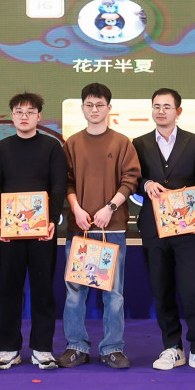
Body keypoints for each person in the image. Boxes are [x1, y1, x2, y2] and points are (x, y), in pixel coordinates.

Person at [135, 88, 195, 374]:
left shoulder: (193, 142)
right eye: (156, 106)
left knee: (192, 288)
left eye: (167, 107)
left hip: (188, 227)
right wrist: (145, 183)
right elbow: (132, 179)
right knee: (162, 289)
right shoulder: (140, 143)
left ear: (178, 111)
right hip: (153, 227)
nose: (161, 111)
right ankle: (172, 347)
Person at [58, 83, 142, 370]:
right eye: (89, 105)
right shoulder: (72, 143)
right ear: (82, 108)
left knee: (114, 295)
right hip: (79, 229)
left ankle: (112, 348)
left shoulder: (121, 142)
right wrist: (76, 208)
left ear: (109, 108)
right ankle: (76, 346)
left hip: (112, 228)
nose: (94, 110)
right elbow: (66, 182)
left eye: (100, 105)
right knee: (75, 294)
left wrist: (110, 207)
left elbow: (130, 180)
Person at [0, 92, 67, 371]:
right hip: (10, 230)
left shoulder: (52, 146)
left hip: (42, 230)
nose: (24, 116)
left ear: (39, 116)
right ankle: (8, 349)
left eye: (30, 112)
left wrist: (52, 219)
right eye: (19, 111)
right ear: (12, 116)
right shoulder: (2, 147)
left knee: (43, 290)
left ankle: (42, 349)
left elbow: (58, 184)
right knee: (9, 289)